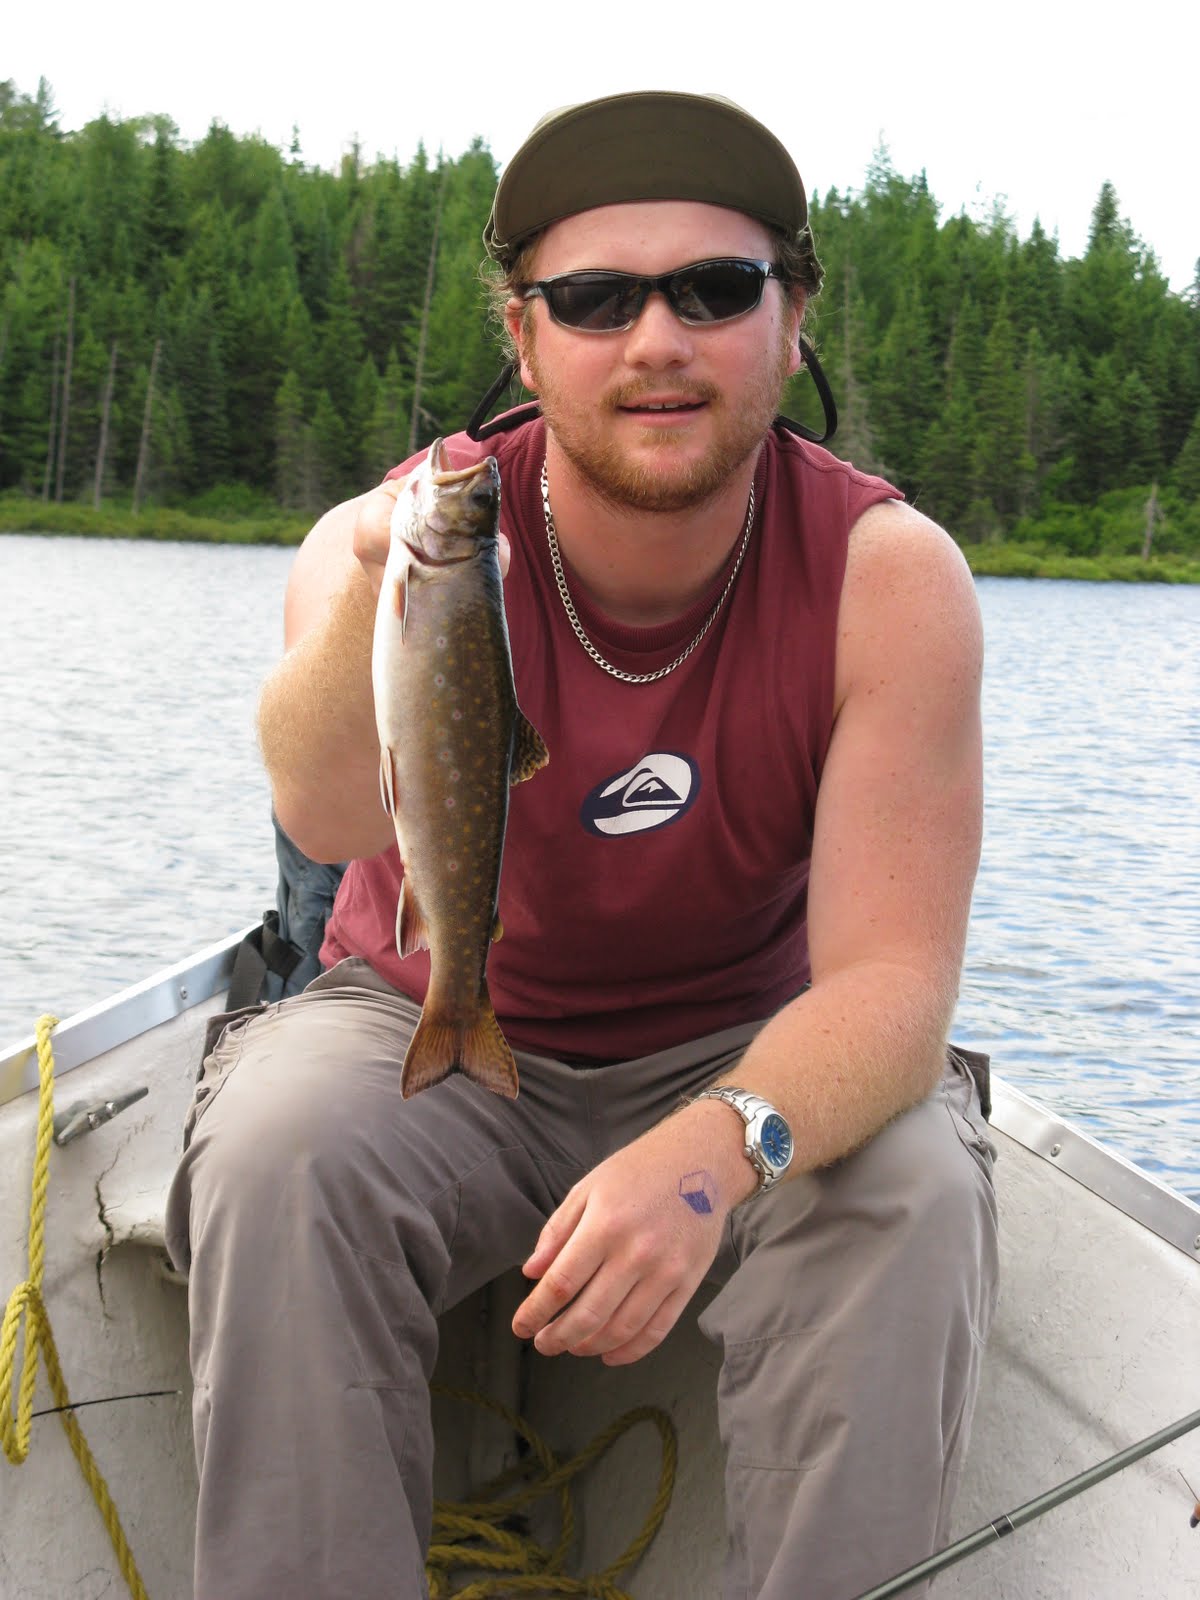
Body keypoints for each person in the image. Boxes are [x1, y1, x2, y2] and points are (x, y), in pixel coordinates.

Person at [165, 91, 998, 1600]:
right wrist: (384, 575)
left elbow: (889, 991)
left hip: (743, 1044)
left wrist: (707, 1157)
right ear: (526, 335)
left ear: (792, 321)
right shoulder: (390, 539)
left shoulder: (892, 580)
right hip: (421, 1019)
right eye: (597, 299)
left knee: (913, 1193)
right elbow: (326, 816)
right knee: (282, 1154)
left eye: (717, 290)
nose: (658, 340)